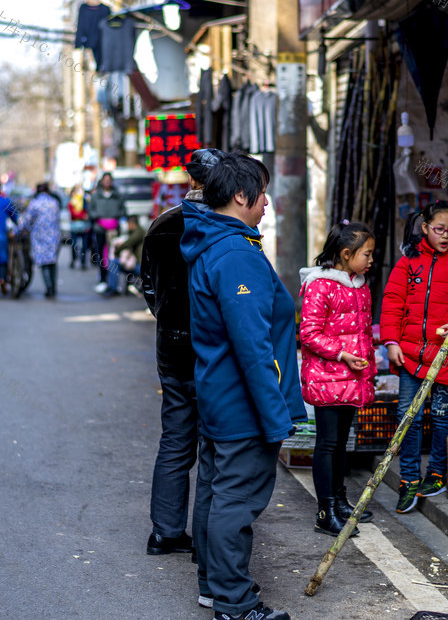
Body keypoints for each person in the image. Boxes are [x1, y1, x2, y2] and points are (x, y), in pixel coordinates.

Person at [181, 152, 304, 620]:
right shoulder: (235, 254)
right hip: (241, 402)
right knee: (235, 500)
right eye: (262, 191)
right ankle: (234, 603)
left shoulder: (213, 240)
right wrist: (277, 417)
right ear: (239, 195)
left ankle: (215, 587)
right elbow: (254, 347)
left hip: (219, 394)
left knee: (216, 490)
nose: (267, 201)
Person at [380, 201, 448, 514]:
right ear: (425, 228)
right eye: (439, 229)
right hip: (411, 354)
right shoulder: (408, 261)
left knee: (443, 416)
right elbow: (392, 301)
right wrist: (391, 341)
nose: (445, 236)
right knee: (408, 415)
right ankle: (409, 480)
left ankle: (438, 473)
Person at [141, 148, 223, 562]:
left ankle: (166, 532)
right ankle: (206, 543)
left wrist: (168, 320)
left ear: (190, 180)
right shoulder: (223, 228)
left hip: (170, 349)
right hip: (209, 352)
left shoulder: (163, 224)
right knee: (211, 444)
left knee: (175, 440)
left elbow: (149, 289)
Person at [299, 221, 377, 537]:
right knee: (328, 443)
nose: (371, 261)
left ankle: (339, 501)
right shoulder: (320, 286)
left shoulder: (360, 285)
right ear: (346, 254)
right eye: (367, 254)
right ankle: (325, 510)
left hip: (352, 377)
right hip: (327, 377)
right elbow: (308, 333)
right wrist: (342, 354)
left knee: (342, 443)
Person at [17, 183, 62, 298]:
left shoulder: (35, 204)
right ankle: (53, 286)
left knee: (44, 263)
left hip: (40, 236)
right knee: (52, 262)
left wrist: (19, 230)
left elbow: (27, 220)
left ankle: (49, 288)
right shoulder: (54, 203)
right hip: (54, 235)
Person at [88, 173, 125, 292]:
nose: (107, 182)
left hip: (114, 230)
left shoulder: (118, 195)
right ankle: (103, 279)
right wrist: (100, 219)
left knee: (115, 255)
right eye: (105, 180)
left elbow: (123, 210)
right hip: (100, 230)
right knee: (101, 255)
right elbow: (90, 211)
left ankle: (114, 281)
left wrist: (113, 220)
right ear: (102, 182)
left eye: (110, 180)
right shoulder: (95, 196)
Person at [105, 215, 145, 296]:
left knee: (113, 262)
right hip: (138, 264)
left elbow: (128, 243)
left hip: (140, 266)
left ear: (132, 224)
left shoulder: (138, 232)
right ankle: (112, 287)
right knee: (116, 262)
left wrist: (117, 250)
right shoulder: (138, 231)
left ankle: (112, 288)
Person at [68, 185, 90, 270]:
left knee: (84, 246)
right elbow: (73, 213)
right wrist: (82, 216)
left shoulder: (85, 201)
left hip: (84, 226)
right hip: (74, 226)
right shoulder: (71, 202)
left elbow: (87, 211)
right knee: (74, 245)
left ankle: (83, 262)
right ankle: (74, 259)